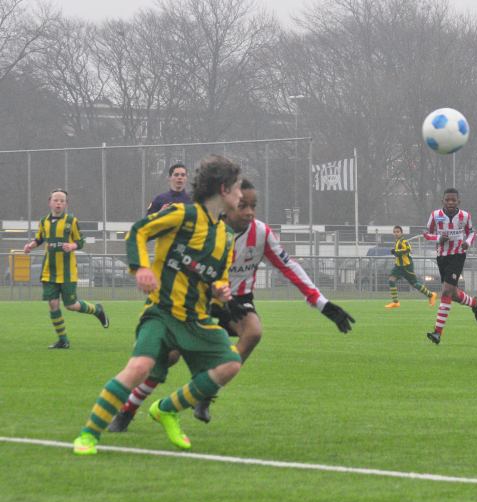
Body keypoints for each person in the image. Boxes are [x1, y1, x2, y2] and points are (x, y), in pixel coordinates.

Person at [107, 179, 355, 431]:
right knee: (168, 355)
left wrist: (321, 303)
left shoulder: (261, 233)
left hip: (237, 300)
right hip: (200, 298)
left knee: (254, 332)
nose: (249, 211)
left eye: (253, 205)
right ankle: (127, 411)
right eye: (242, 205)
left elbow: (287, 265)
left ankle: (206, 392)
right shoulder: (206, 229)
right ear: (226, 206)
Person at [72, 154, 242, 455]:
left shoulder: (224, 237)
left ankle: (166, 409)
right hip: (162, 314)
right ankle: (89, 435)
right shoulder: (183, 214)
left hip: (196, 320)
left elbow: (217, 278)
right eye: (238, 188)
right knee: (140, 366)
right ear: (224, 189)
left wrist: (220, 289)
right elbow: (138, 231)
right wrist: (141, 268)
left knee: (230, 364)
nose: (242, 195)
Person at [23, 188, 109, 349]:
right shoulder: (44, 221)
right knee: (53, 304)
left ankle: (97, 310)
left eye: (62, 201)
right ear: (50, 202)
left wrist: (73, 245)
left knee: (71, 305)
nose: (58, 203)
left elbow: (81, 241)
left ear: (66, 204)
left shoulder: (71, 221)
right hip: (49, 271)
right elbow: (40, 238)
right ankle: (63, 340)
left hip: (68, 271)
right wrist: (30, 246)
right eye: (56, 200)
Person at [423, 188, 477, 345]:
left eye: (453, 200)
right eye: (447, 200)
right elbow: (426, 233)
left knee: (446, 291)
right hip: (442, 257)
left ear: (458, 202)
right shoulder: (435, 215)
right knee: (453, 294)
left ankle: (437, 332)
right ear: (442, 201)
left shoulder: (465, 216)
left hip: (458, 256)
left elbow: (472, 232)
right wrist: (438, 238)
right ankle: (474, 303)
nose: (450, 202)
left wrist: (467, 243)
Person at [384, 225, 437, 308]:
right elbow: (398, 253)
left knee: (415, 284)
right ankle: (396, 302)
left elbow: (408, 250)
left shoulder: (404, 241)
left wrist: (396, 251)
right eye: (394, 232)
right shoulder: (397, 241)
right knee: (391, 280)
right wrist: (395, 252)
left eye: (398, 232)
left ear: (401, 233)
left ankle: (431, 295)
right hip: (398, 266)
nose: (396, 233)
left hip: (406, 266)